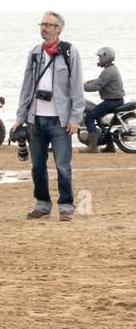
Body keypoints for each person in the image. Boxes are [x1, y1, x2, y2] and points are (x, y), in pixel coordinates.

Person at [12, 11, 85, 221]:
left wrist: (75, 118)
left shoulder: (70, 53)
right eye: (42, 24)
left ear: (58, 29)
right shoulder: (35, 53)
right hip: (35, 120)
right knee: (37, 167)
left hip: (60, 121)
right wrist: (20, 117)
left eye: (48, 24)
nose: (43, 28)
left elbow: (77, 88)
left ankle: (65, 206)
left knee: (63, 166)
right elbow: (26, 87)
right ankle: (42, 204)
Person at [83, 46, 124, 153]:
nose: (99, 60)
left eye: (100, 57)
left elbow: (97, 86)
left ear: (105, 57)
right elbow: (99, 80)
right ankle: (110, 146)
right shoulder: (111, 69)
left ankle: (93, 147)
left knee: (89, 117)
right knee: (100, 119)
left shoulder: (108, 71)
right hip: (115, 100)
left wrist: (81, 87)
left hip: (112, 101)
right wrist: (88, 81)